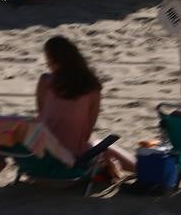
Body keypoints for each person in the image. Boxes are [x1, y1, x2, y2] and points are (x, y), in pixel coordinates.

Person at [37, 36, 135, 173]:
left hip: (42, 153)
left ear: (52, 60)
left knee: (95, 146)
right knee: (103, 147)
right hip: (74, 156)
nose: (47, 64)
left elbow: (42, 115)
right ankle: (144, 170)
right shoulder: (93, 88)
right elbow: (87, 131)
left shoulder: (45, 81)